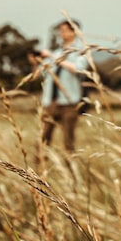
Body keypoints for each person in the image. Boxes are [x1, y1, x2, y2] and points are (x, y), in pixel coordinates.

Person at [29, 19, 90, 152]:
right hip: (50, 102)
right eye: (60, 31)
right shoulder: (56, 52)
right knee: (43, 139)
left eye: (64, 30)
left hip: (69, 102)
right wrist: (35, 62)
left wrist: (52, 57)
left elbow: (78, 69)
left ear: (74, 32)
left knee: (68, 141)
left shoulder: (81, 52)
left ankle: (70, 168)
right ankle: (38, 169)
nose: (61, 34)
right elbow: (37, 75)